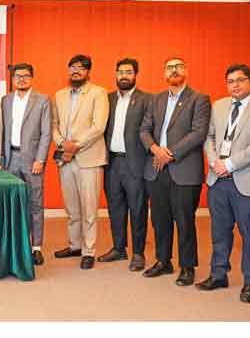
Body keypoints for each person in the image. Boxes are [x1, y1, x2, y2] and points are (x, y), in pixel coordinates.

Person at [199, 64, 250, 303]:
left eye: (241, 80)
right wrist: (215, 162)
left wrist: (230, 164)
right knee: (219, 230)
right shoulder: (219, 105)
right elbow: (209, 137)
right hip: (218, 179)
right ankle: (218, 274)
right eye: (231, 81)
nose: (235, 85)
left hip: (249, 182)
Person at [139, 57, 211, 287]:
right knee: (159, 219)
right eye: (169, 67)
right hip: (156, 168)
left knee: (185, 220)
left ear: (186, 71)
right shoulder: (156, 99)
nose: (173, 71)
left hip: (184, 168)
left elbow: (198, 133)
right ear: (164, 73)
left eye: (178, 66)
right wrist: (155, 149)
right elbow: (144, 129)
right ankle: (163, 261)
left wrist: (169, 153)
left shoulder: (199, 99)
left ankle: (187, 267)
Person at [50, 54, 109, 270]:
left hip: (88, 158)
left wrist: (75, 146)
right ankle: (74, 245)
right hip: (65, 159)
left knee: (89, 208)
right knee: (72, 206)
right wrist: (62, 143)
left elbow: (98, 126)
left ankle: (88, 250)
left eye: (81, 68)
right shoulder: (59, 95)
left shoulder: (98, 93)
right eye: (72, 67)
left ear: (88, 72)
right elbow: (54, 124)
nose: (76, 71)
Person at [100, 58, 151, 271]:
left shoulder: (147, 99)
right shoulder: (107, 99)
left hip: (136, 163)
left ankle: (138, 253)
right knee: (115, 207)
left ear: (136, 75)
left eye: (129, 72)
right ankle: (119, 248)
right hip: (111, 162)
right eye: (120, 72)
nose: (124, 76)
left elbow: (150, 130)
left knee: (138, 209)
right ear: (115, 74)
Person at [1, 62, 51, 265]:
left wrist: (40, 159)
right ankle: (15, 246)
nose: (21, 79)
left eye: (25, 76)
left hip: (32, 160)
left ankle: (36, 247)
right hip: (10, 159)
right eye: (17, 76)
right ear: (12, 79)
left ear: (32, 78)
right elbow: (2, 131)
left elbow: (46, 133)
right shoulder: (5, 100)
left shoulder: (43, 100)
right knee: (12, 204)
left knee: (35, 204)